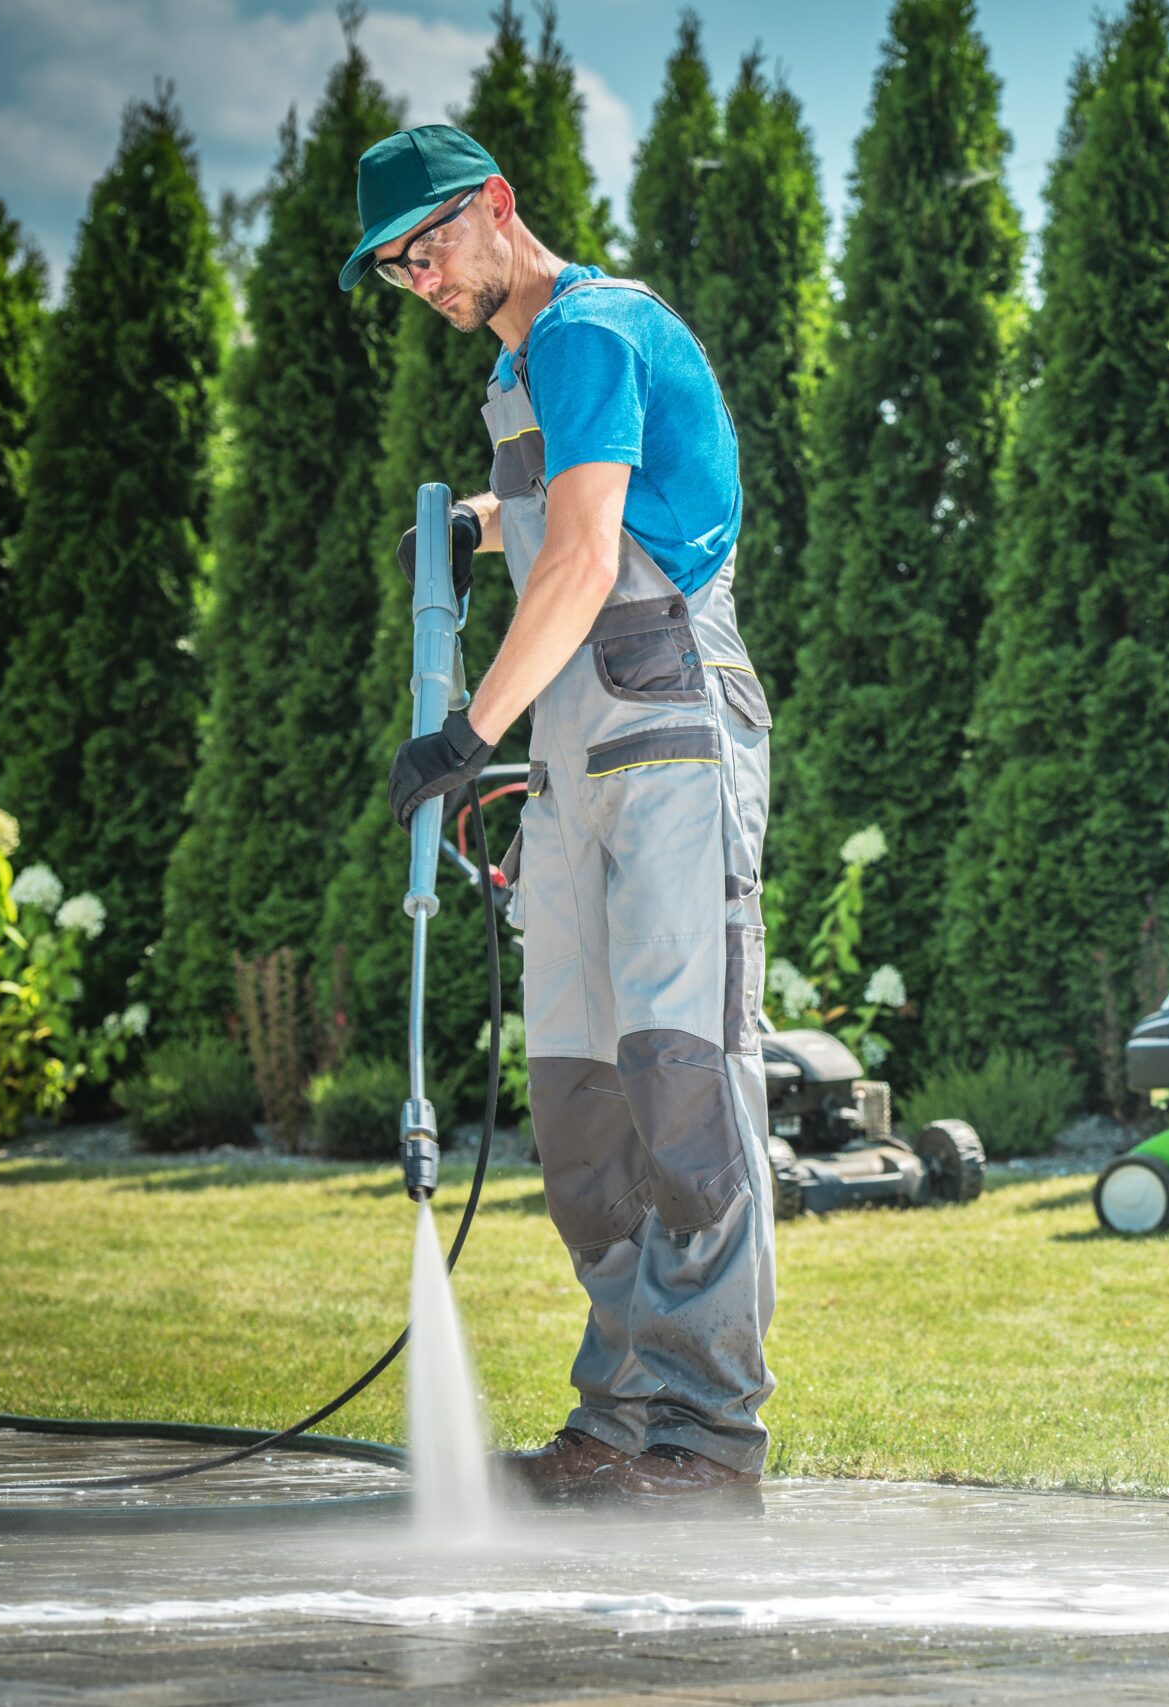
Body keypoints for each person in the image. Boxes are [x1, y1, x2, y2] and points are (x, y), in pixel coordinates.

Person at [341, 123, 774, 1500]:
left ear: (498, 206)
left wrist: (469, 734)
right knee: (583, 1090)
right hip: (582, 748)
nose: (419, 277)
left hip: (662, 716)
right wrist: (474, 520)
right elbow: (557, 512)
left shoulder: (593, 329)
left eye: (430, 245)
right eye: (397, 266)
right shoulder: (522, 373)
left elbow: (590, 558)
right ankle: (620, 1420)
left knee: (679, 1076)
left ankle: (707, 1442)